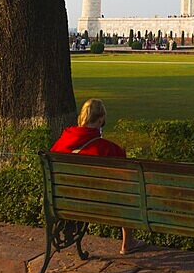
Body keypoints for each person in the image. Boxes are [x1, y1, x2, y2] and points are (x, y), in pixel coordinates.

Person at [51, 98, 146, 254]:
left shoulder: (62, 142)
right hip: (101, 206)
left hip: (65, 202)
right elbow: (127, 174)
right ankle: (127, 242)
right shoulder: (107, 148)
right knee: (129, 192)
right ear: (101, 119)